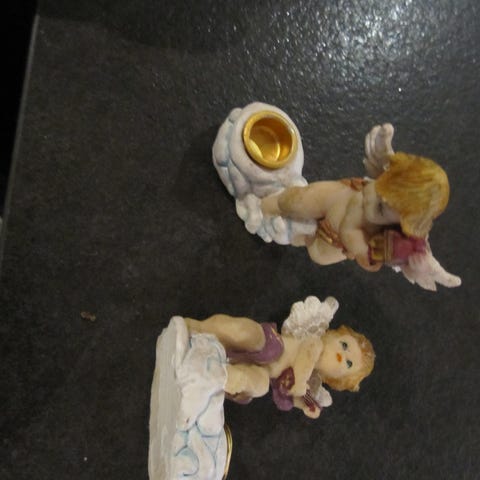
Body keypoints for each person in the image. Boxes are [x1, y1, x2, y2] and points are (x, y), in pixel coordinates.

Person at [185, 298, 375, 419]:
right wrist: (300, 383)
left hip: (264, 370)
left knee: (260, 386)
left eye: (348, 363)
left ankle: (219, 375)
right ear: (331, 336)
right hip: (268, 344)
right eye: (344, 345)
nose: (342, 355)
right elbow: (306, 358)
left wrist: (305, 405)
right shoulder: (315, 344)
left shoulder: (309, 381)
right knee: (247, 332)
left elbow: (293, 393)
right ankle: (197, 328)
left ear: (336, 380)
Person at [260, 152, 450, 271]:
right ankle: (265, 206)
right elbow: (384, 167)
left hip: (333, 237)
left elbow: (352, 239)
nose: (370, 198)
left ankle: (295, 234)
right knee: (296, 199)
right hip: (338, 196)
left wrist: (410, 261)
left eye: (380, 208)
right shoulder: (385, 188)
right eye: (378, 188)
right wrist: (384, 153)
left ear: (398, 225)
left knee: (317, 253)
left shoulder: (371, 236)